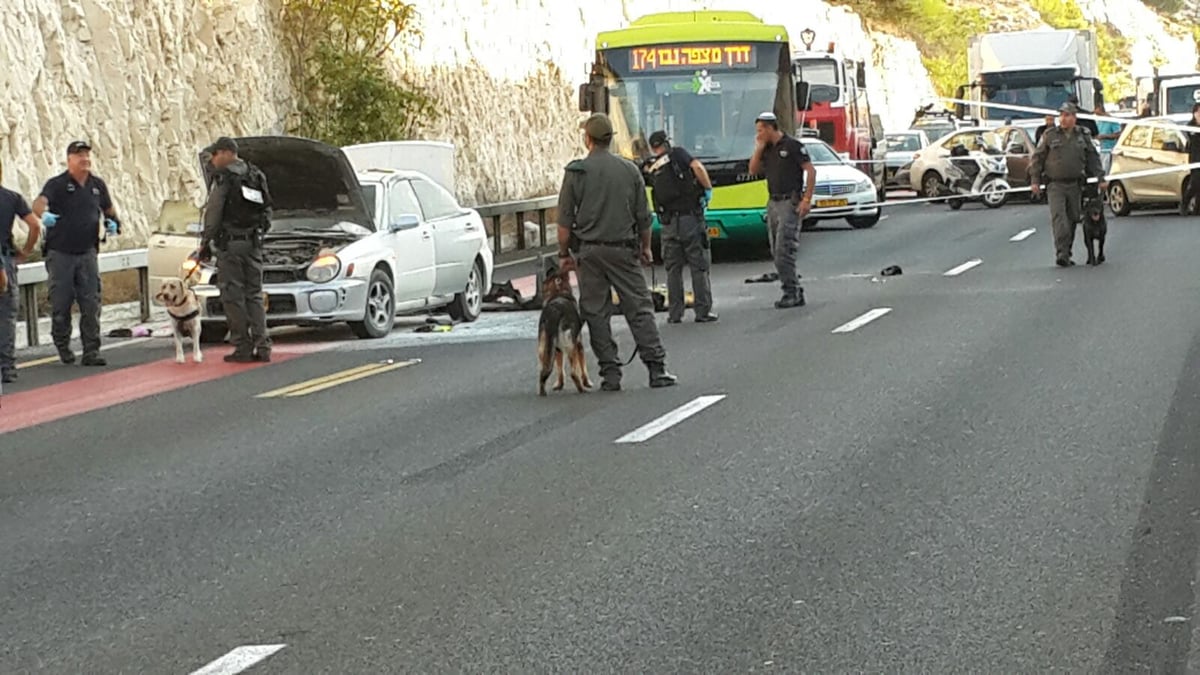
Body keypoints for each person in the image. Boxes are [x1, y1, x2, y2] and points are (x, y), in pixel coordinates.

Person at [557, 113, 677, 391]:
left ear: (588, 139)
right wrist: (646, 248)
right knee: (639, 308)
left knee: (596, 312)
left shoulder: (576, 172)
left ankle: (610, 374)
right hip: (623, 251)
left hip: (589, 253)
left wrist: (564, 254)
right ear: (610, 139)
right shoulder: (630, 170)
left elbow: (564, 222)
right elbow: (643, 217)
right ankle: (656, 369)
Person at [32, 140, 121, 367]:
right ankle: (62, 344)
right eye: (79, 155)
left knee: (91, 303)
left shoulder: (97, 185)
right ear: (69, 159)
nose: (85, 159)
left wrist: (113, 223)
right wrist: (43, 215)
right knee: (61, 304)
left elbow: (109, 210)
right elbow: (38, 204)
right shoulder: (57, 184)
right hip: (61, 254)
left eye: (87, 154)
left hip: (87, 253)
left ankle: (91, 350)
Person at [198, 136, 274, 363]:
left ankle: (242, 346)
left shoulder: (224, 178)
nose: (212, 160)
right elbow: (268, 210)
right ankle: (263, 345)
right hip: (253, 244)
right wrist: (258, 233)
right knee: (254, 295)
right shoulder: (255, 174)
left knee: (233, 296)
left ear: (225, 153)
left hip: (230, 245)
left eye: (214, 155)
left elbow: (214, 213)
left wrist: (205, 243)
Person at [644, 130, 717, 324]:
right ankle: (703, 311)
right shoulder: (678, 154)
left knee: (673, 270)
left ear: (653, 147)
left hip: (668, 223)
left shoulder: (650, 166)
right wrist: (708, 190)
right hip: (690, 219)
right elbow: (698, 168)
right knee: (698, 266)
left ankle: (675, 314)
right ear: (667, 142)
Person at [748, 111, 816, 309]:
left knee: (784, 250)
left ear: (770, 128)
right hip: (773, 202)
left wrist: (807, 199)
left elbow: (810, 171)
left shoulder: (793, 146)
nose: (758, 134)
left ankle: (791, 291)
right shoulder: (767, 150)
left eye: (761, 130)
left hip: (790, 201)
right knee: (774, 248)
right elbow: (752, 170)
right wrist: (759, 148)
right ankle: (792, 289)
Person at [1029, 102, 1106, 267]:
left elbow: (1093, 157)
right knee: (1059, 219)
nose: (1063, 119)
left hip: (1075, 184)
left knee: (1073, 219)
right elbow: (1037, 158)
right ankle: (1062, 253)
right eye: (1061, 115)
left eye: (1067, 115)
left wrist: (1100, 177)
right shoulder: (1050, 135)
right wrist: (1035, 180)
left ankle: (1067, 251)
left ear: (1074, 117)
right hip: (1055, 184)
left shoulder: (1082, 135)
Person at [0, 161, 44, 384]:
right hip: (5, 260)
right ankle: (6, 367)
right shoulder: (11, 198)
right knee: (6, 315)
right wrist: (25, 251)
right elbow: (35, 225)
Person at [1094, 104, 1122, 173]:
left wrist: (1105, 136)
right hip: (1101, 149)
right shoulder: (1099, 121)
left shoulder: (1111, 120)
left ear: (1103, 112)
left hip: (1109, 150)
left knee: (1106, 171)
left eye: (1099, 114)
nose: (1098, 116)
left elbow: (1118, 134)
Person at [1183, 103, 1200, 216]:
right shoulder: (1190, 126)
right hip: (1195, 159)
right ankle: (1184, 203)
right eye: (1198, 112)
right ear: (1194, 113)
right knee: (1195, 183)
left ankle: (1197, 209)